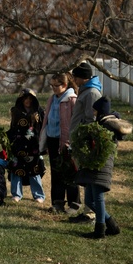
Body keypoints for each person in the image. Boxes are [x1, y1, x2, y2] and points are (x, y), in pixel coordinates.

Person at [69, 60, 119, 238]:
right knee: (91, 197)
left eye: (75, 76)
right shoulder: (85, 90)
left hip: (93, 153)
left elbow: (90, 119)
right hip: (85, 147)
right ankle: (110, 225)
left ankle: (100, 229)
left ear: (82, 77)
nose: (73, 79)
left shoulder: (91, 92)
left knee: (96, 196)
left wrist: (82, 137)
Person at [40, 73, 80, 213]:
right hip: (52, 139)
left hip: (67, 141)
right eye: (52, 85)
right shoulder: (52, 99)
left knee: (69, 172)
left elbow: (76, 122)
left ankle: (74, 204)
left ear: (65, 85)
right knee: (56, 172)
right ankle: (57, 203)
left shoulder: (72, 99)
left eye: (56, 85)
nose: (54, 88)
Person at [7, 88, 45, 202]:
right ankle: (16, 194)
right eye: (25, 98)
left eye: (30, 98)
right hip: (18, 145)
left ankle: (38, 195)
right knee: (16, 169)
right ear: (21, 99)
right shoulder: (15, 111)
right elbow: (12, 127)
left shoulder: (39, 111)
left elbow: (42, 128)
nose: (27, 101)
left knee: (34, 170)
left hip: (33, 146)